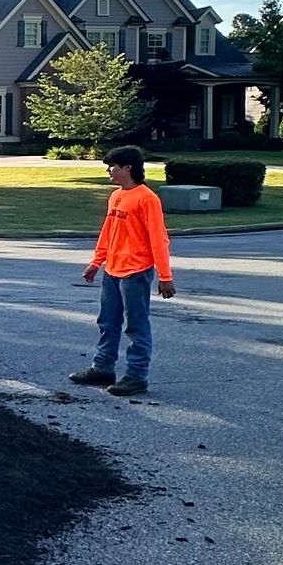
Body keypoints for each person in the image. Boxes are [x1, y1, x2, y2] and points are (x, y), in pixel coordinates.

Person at [70, 143, 175, 397]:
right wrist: (97, 262)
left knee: (136, 326)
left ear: (128, 168)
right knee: (107, 321)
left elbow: (158, 239)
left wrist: (165, 276)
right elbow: (109, 232)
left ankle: (136, 377)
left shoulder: (147, 199)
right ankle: (103, 368)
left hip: (136, 272)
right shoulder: (117, 196)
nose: (109, 170)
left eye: (112, 166)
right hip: (113, 270)